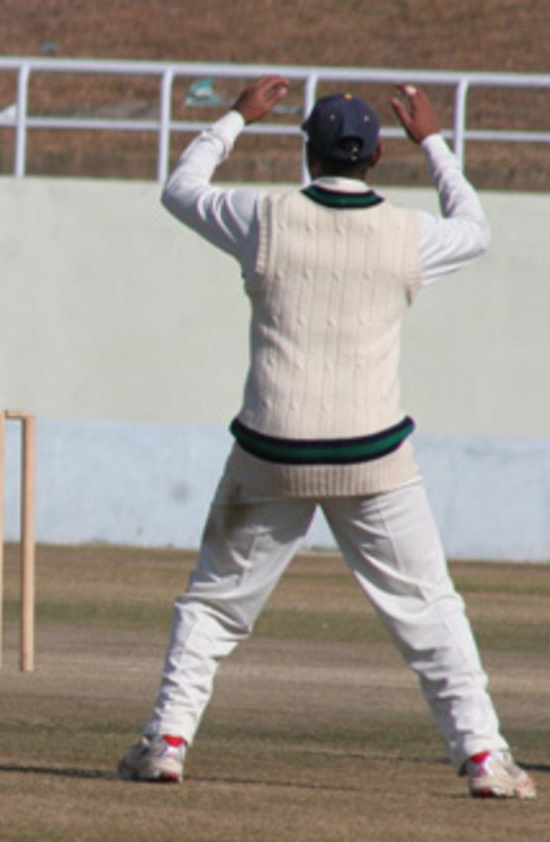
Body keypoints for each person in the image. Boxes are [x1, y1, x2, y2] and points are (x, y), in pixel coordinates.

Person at [117, 76, 536, 800]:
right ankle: (483, 759)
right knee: (431, 611)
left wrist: (236, 118)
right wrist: (433, 141)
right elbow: (476, 228)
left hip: (271, 450)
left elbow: (180, 189)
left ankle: (167, 742)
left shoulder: (264, 216)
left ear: (307, 155)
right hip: (372, 457)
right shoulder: (409, 234)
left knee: (214, 608)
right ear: (374, 158)